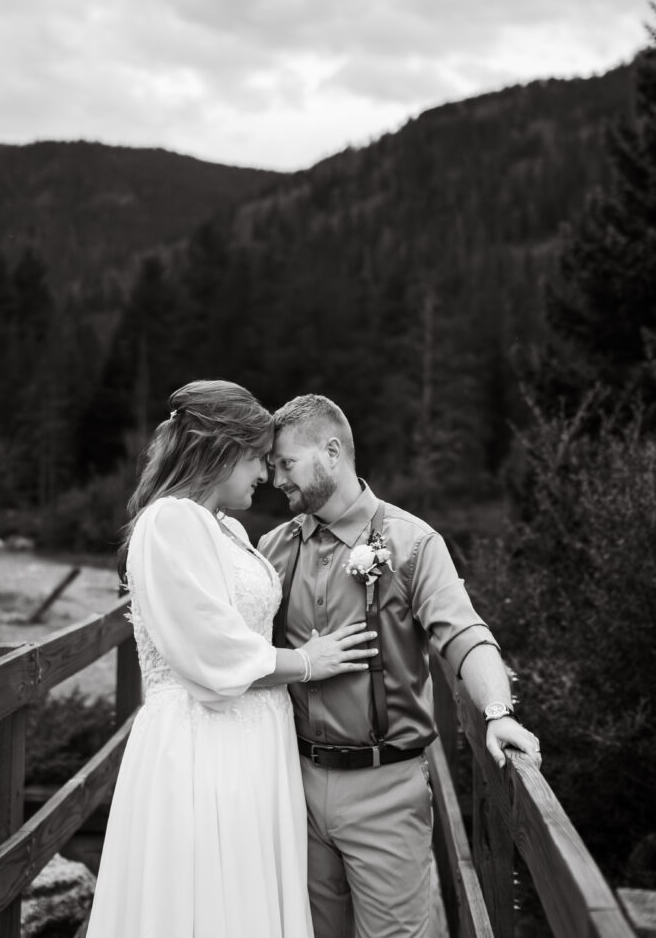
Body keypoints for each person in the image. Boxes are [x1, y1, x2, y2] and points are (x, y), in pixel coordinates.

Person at [86, 380, 377, 938]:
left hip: (251, 743)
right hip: (203, 744)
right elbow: (210, 647)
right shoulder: (169, 521)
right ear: (220, 451)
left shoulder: (229, 529)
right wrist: (308, 662)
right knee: (206, 899)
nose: (266, 475)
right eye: (256, 459)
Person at [258, 394, 542, 938]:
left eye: (286, 463)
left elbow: (464, 635)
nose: (276, 479)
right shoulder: (272, 549)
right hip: (290, 785)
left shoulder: (413, 544)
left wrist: (498, 711)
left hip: (385, 789)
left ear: (332, 452)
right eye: (271, 467)